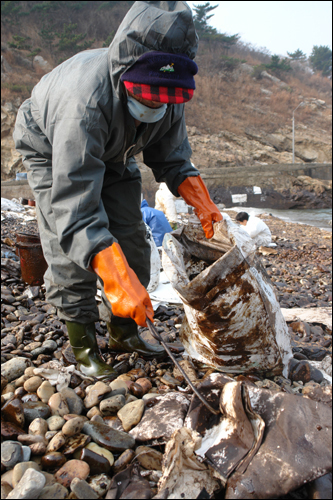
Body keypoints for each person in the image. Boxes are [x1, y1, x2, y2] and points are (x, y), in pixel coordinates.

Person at [13, 1, 222, 381]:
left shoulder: (168, 90)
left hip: (116, 149)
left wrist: (203, 203)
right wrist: (111, 271)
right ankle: (84, 346)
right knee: (69, 250)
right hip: (52, 147)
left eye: (164, 98)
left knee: (132, 240)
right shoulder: (84, 104)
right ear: (127, 76)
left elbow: (172, 156)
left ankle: (123, 332)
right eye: (146, 97)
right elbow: (76, 208)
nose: (155, 104)